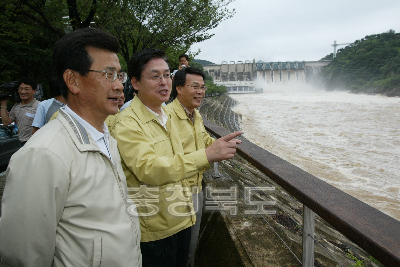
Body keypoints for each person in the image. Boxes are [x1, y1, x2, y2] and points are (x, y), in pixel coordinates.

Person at [0, 28, 142, 266]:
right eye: (108, 74)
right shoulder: (44, 154)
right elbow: (25, 256)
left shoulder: (106, 137)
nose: (119, 86)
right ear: (73, 80)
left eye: (119, 75)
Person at [110, 48, 241, 267]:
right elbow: (149, 169)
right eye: (154, 76)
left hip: (182, 216)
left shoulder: (164, 115)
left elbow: (180, 157)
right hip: (155, 229)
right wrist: (208, 155)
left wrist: (218, 147)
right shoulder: (127, 123)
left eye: (166, 75)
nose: (163, 82)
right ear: (135, 83)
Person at [165, 67, 220, 267]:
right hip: (175, 194)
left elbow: (204, 138)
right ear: (178, 88)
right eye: (194, 87)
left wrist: (220, 145)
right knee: (176, 252)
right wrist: (210, 154)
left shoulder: (195, 115)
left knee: (190, 250)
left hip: (195, 190)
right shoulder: (166, 116)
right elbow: (168, 160)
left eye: (203, 87)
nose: (200, 92)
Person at [0, 77, 40, 146]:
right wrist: (3, 103)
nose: (23, 92)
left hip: (36, 143)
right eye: (21, 89)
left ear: (34, 91)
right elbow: (6, 122)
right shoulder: (17, 106)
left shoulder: (39, 106)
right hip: (22, 143)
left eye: (26, 89)